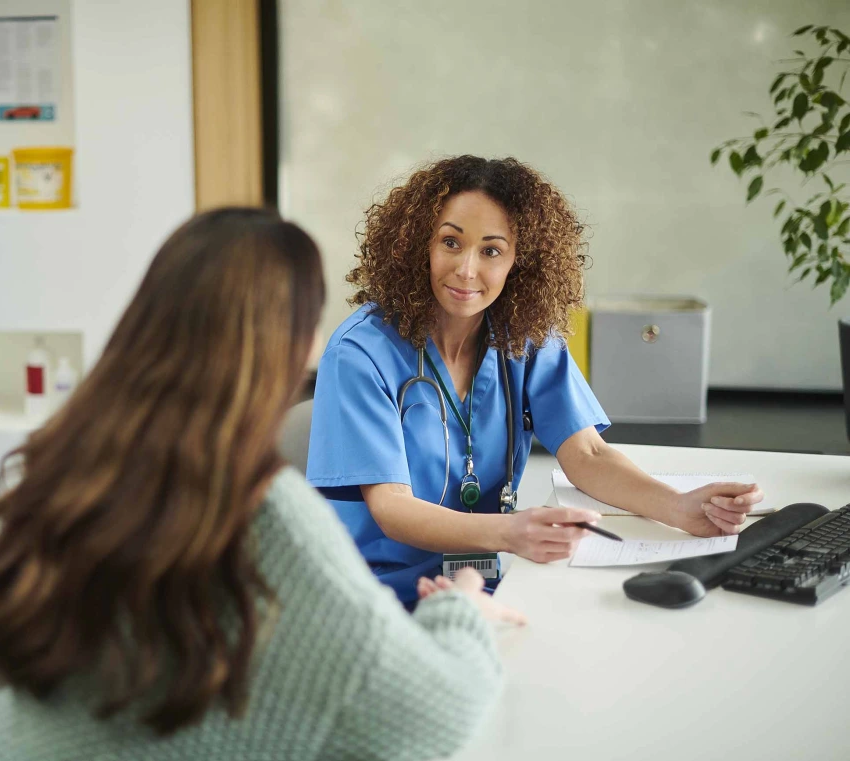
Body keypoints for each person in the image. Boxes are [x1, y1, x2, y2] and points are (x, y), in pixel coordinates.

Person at [0, 208, 522, 761]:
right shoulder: (263, 514)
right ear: (289, 350)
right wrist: (463, 609)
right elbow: (435, 712)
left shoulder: (68, 464)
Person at [306, 156, 764, 605]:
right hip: (384, 594)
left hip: (484, 578)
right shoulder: (361, 354)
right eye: (450, 242)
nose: (467, 269)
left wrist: (679, 508)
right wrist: (511, 531)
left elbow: (586, 453)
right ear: (416, 245)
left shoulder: (521, 337)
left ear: (518, 263)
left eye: (491, 250)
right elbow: (391, 508)